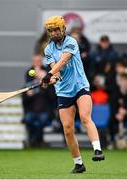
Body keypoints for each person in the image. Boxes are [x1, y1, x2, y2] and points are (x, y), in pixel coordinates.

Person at [41, 16, 105, 173]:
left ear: (63, 29)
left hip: (80, 86)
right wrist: (52, 78)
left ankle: (97, 150)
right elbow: (56, 70)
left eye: (56, 29)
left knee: (85, 117)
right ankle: (78, 164)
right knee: (68, 129)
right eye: (51, 30)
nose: (54, 33)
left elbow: (62, 61)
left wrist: (48, 74)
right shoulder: (48, 49)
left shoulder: (71, 42)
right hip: (63, 91)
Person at [22, 54, 56, 147]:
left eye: (38, 61)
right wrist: (29, 94)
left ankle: (37, 142)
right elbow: (26, 91)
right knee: (28, 120)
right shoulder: (29, 72)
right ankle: (32, 140)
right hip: (31, 109)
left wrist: (43, 81)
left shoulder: (46, 72)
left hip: (44, 109)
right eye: (35, 61)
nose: (37, 63)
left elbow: (52, 94)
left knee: (41, 122)